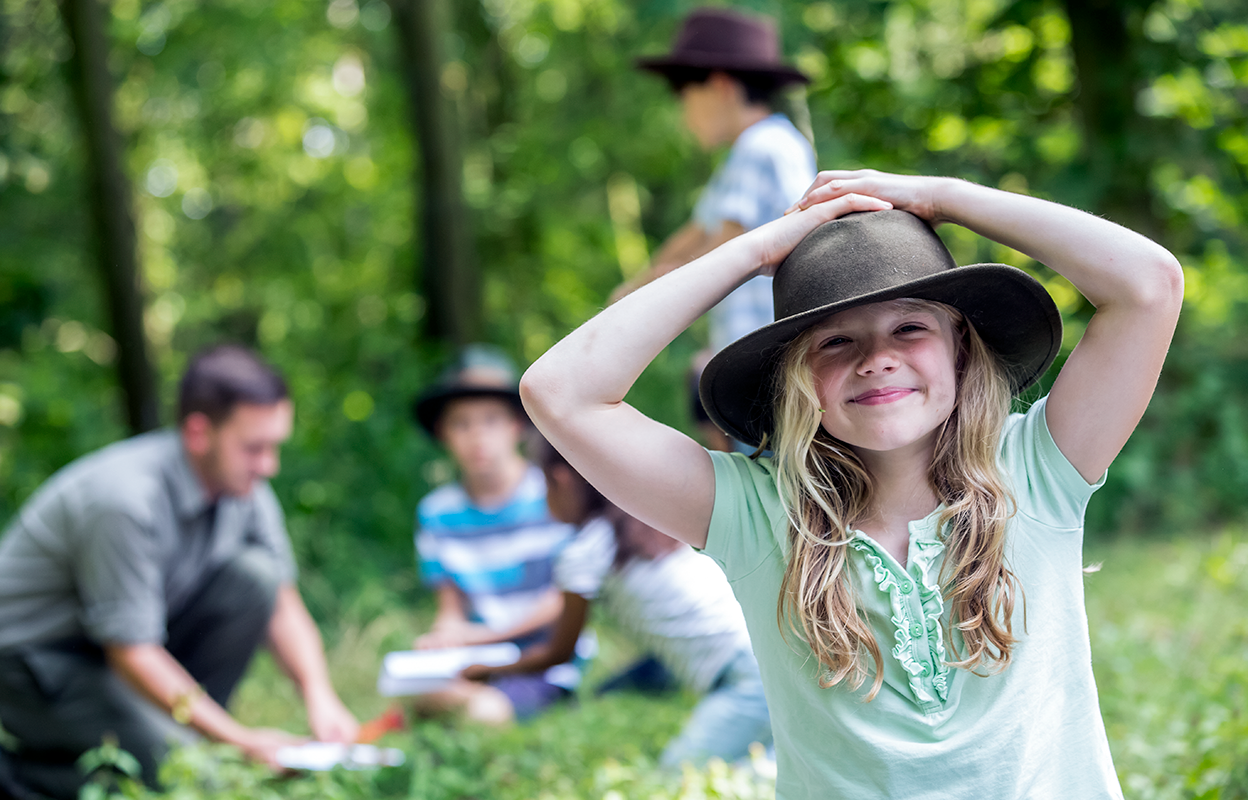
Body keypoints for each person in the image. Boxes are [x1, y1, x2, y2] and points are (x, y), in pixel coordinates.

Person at [520, 170, 1183, 797]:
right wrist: (756, 252)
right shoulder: (758, 514)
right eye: (835, 342)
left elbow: (1149, 285)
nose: (877, 359)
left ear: (958, 344)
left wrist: (939, 196)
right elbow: (560, 392)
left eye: (909, 328)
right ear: (797, 375)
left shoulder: (1039, 467)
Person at [0, 345, 358, 800]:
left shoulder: (245, 488)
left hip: (128, 645)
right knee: (190, 776)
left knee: (256, 578)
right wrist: (240, 743)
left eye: (274, 447)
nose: (270, 465)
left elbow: (282, 603)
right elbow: (131, 651)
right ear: (199, 433)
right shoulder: (126, 501)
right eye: (254, 448)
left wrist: (320, 696)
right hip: (38, 661)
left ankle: (174, 736)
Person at [462, 433, 771, 769]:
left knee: (678, 775)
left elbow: (558, 653)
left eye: (544, 486)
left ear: (561, 480)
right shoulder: (648, 522)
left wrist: (487, 671)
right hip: (768, 652)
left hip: (744, 678)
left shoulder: (584, 552)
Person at [616, 8, 817, 451]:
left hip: (768, 369)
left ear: (720, 86)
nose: (683, 115)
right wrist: (635, 287)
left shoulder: (762, 146)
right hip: (763, 363)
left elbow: (720, 250)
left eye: (685, 97)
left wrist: (640, 305)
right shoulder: (754, 152)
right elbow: (696, 233)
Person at [410, 345, 576, 726]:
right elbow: (450, 608)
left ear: (516, 425)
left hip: (543, 659)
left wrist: (484, 636)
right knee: (422, 691)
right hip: (477, 658)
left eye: (490, 420)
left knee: (484, 714)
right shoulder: (436, 513)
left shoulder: (551, 495)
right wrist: (443, 636)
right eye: (461, 424)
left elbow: (563, 599)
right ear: (443, 433)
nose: (477, 437)